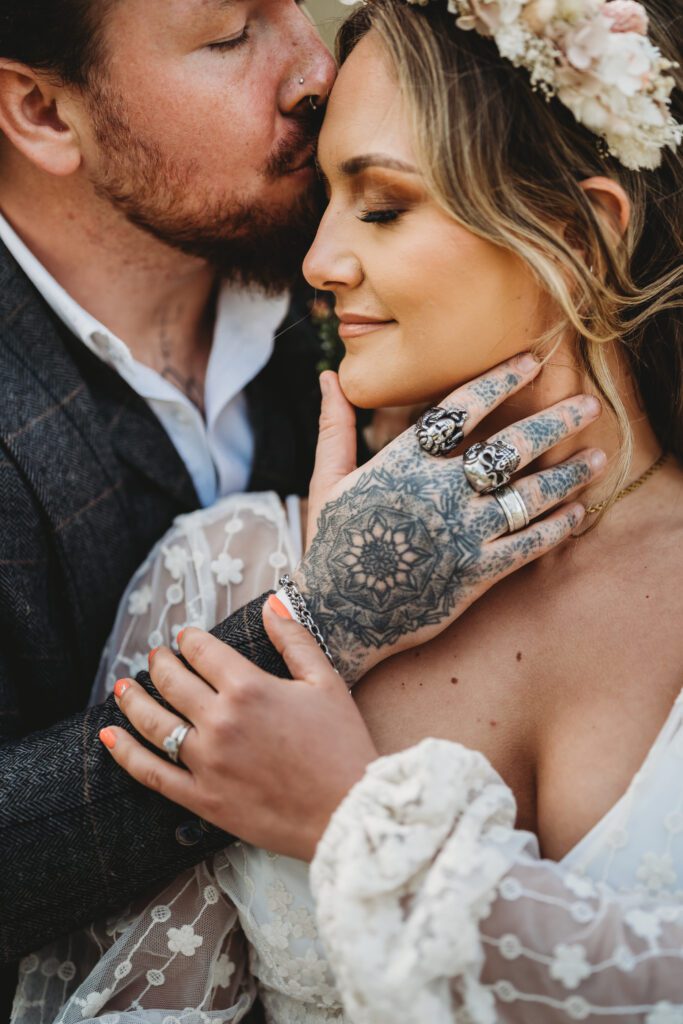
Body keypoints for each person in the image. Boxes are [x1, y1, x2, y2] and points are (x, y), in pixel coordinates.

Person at [16, 0, 682, 1020]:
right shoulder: (229, 565)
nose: (317, 262)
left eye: (377, 205)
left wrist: (351, 821)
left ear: (583, 226)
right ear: (38, 113)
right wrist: (322, 616)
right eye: (229, 35)